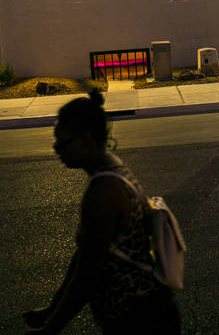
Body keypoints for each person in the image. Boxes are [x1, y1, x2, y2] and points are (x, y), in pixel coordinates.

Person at [23, 88, 181, 335]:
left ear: (86, 139)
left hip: (138, 320)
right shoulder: (112, 166)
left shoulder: (103, 192)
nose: (56, 149)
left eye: (62, 142)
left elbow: (87, 274)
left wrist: (50, 329)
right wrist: (51, 309)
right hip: (144, 313)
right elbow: (83, 255)